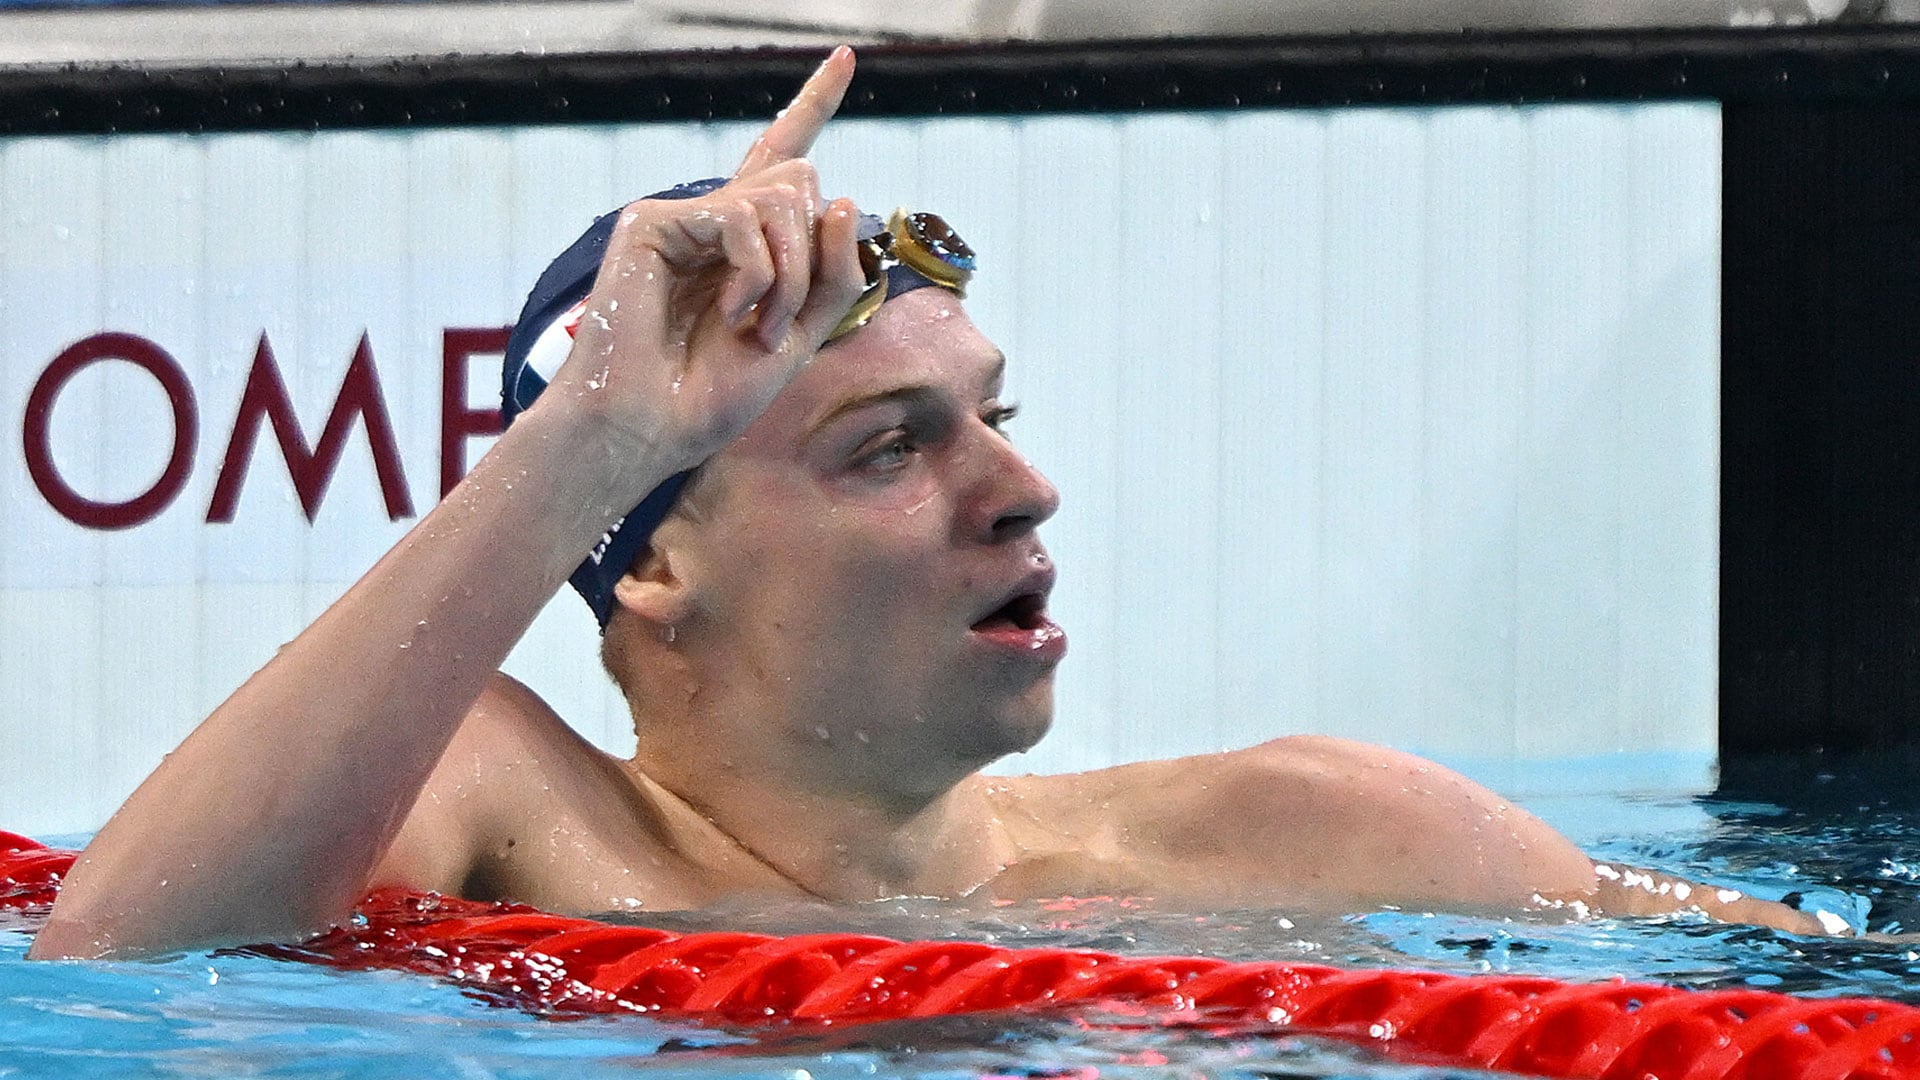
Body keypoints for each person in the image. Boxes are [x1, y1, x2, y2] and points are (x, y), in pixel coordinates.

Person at [29, 47, 1827, 961]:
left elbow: (1815, 998)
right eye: (892, 447)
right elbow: (123, 956)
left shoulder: (1317, 836)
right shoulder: (513, 813)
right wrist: (584, 433)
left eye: (995, 421)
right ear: (653, 563)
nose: (1024, 490)